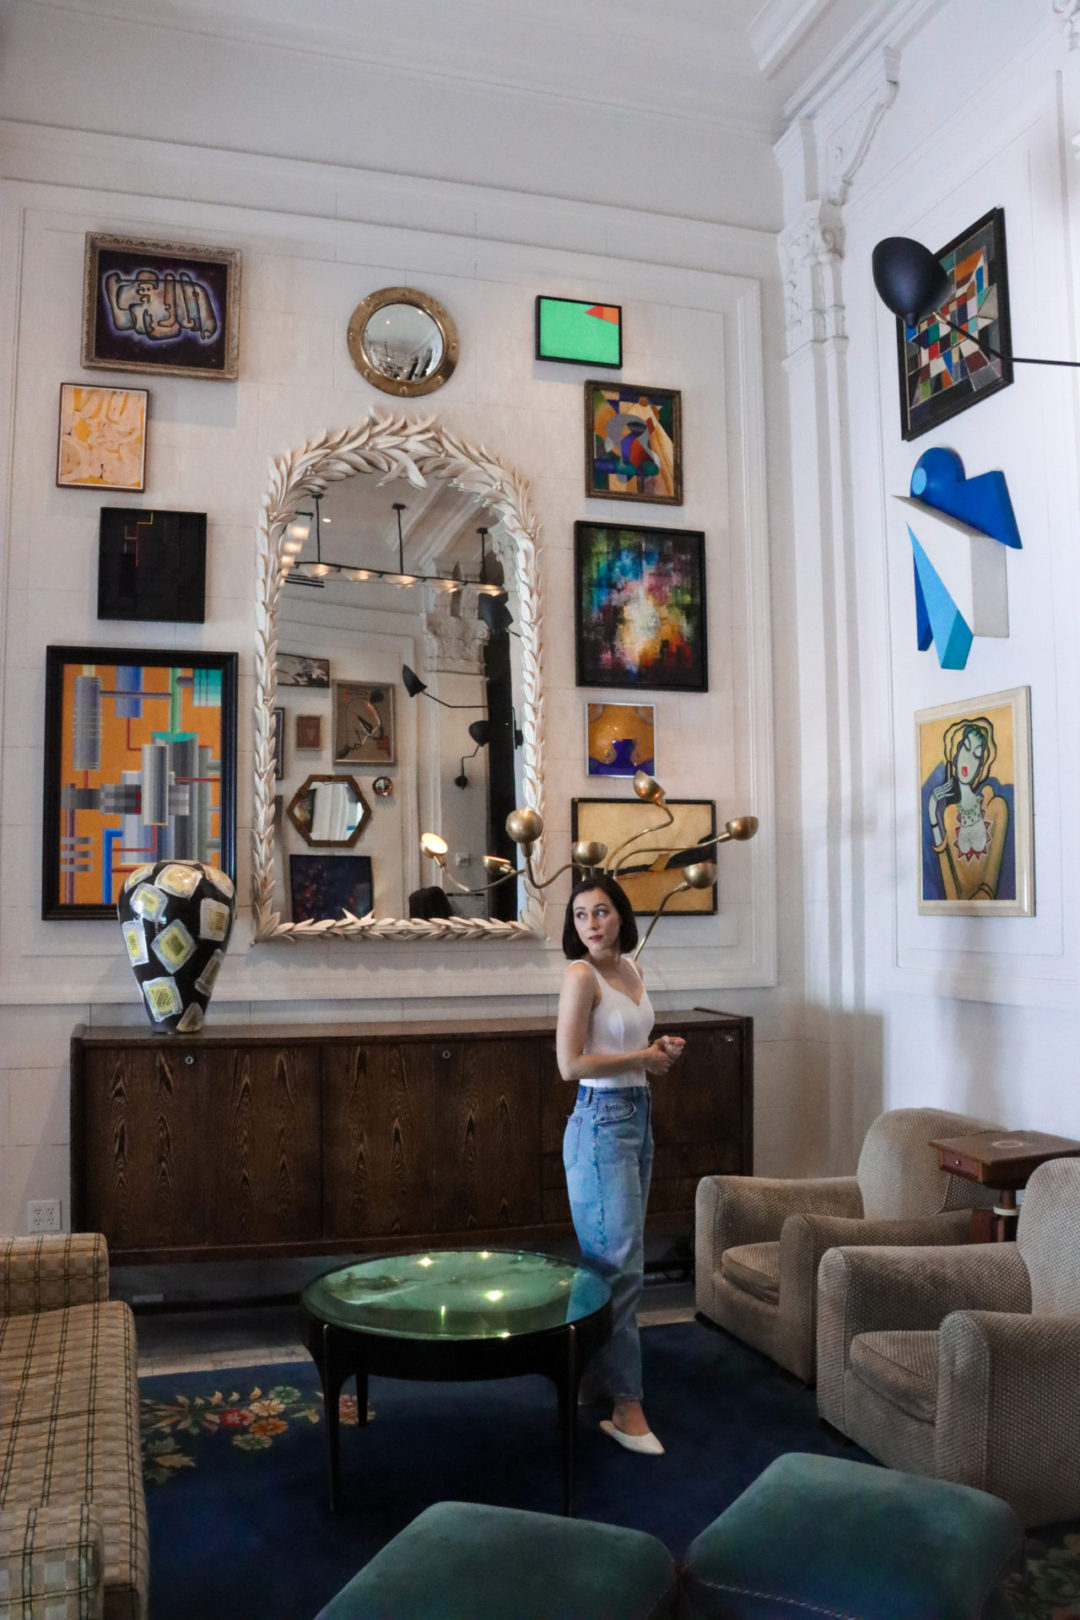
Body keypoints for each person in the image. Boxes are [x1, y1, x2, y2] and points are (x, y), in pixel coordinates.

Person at [556, 873, 684, 1456]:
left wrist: (660, 1052)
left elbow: (631, 1046)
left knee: (609, 1262)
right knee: (622, 1268)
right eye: (581, 916)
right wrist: (642, 1058)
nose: (592, 925)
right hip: (599, 1120)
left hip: (636, 1115)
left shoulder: (631, 968)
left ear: (620, 916)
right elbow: (570, 1065)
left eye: (601, 912)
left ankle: (587, 1379)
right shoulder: (579, 976)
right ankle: (627, 1405)